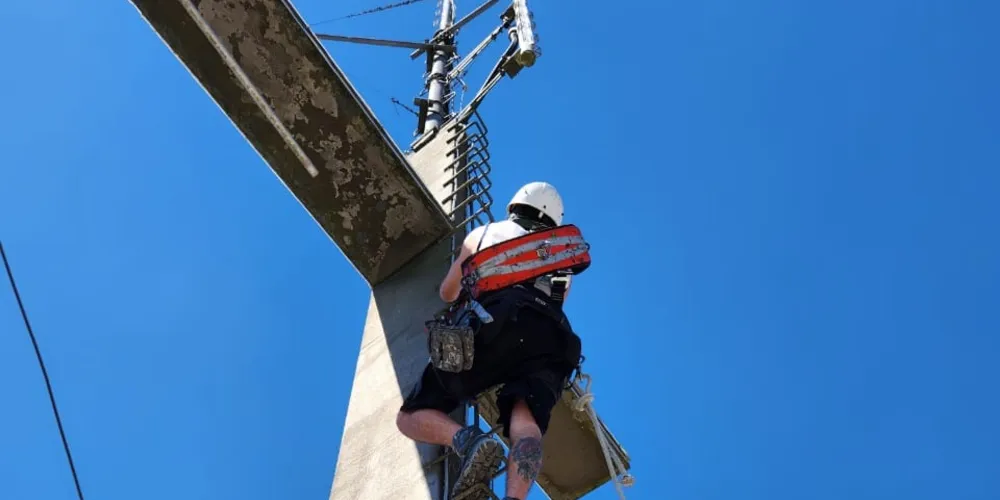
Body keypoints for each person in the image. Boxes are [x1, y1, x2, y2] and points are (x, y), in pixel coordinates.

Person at [396, 181, 586, 500]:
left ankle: (468, 442)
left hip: (497, 320)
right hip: (554, 338)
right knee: (527, 422)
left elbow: (448, 291)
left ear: (514, 206)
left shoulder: (485, 234)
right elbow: (558, 300)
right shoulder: (559, 252)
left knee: (410, 416)